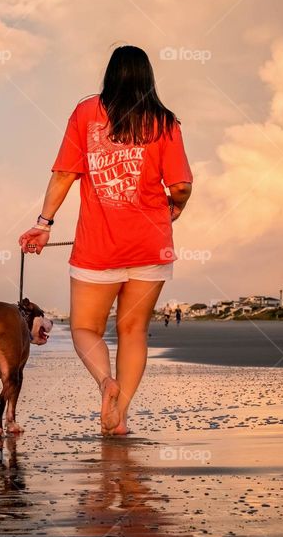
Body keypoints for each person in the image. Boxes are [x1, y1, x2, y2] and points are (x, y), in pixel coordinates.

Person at [18, 45, 193, 436]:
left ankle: (105, 384)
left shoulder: (86, 113)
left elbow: (65, 174)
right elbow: (180, 185)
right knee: (133, 332)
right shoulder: (165, 122)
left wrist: (44, 224)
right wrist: (173, 207)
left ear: (109, 75)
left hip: (98, 247)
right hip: (151, 244)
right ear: (148, 78)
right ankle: (121, 417)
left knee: (85, 329)